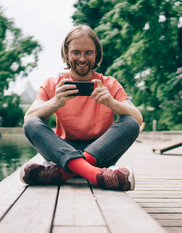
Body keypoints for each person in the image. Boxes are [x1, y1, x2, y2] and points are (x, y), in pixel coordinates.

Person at [20, 25, 143, 191]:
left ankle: (61, 174)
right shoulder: (53, 84)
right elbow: (29, 119)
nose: (82, 59)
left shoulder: (110, 84)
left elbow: (137, 118)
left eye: (88, 53)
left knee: (130, 123)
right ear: (67, 53)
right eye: (76, 52)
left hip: (101, 153)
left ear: (96, 53)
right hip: (62, 152)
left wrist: (112, 103)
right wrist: (56, 102)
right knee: (32, 124)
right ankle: (96, 175)